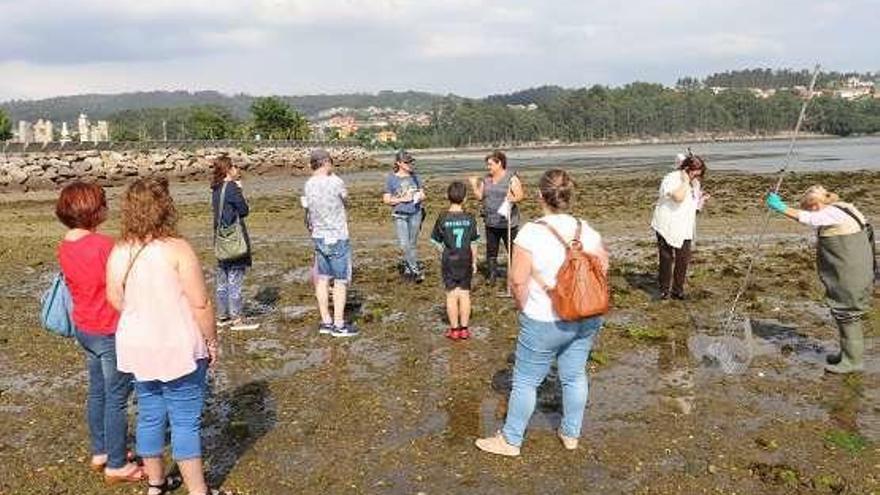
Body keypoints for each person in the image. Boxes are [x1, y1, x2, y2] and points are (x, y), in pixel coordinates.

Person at [476, 169, 607, 457]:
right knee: (574, 377)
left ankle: (510, 440)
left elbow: (518, 281)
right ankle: (570, 434)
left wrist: (524, 307)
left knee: (525, 381)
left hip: (544, 319)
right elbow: (603, 269)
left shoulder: (531, 233)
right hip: (586, 316)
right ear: (569, 196)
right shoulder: (586, 230)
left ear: (539, 196)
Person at [106, 178, 220, 495]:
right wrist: (212, 341)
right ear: (165, 207)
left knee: (149, 415)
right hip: (178, 344)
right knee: (184, 420)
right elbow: (201, 302)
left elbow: (115, 299)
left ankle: (156, 484)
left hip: (137, 345)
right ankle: (199, 491)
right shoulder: (177, 248)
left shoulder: (119, 251)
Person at [55, 182, 143, 483]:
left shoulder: (65, 244)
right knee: (117, 397)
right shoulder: (104, 246)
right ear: (94, 210)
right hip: (109, 329)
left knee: (98, 392)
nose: (107, 206)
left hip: (84, 328)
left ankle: (101, 450)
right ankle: (117, 464)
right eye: (103, 202)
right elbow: (125, 283)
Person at [766, 185, 874, 374]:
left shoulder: (831, 213)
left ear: (815, 205)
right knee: (844, 313)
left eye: (809, 208)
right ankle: (847, 354)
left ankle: (853, 361)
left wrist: (780, 207)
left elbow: (809, 219)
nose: (810, 212)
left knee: (848, 314)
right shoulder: (844, 206)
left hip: (850, 271)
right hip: (855, 267)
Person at [302, 149, 358, 337]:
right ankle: (339, 324)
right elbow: (346, 199)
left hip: (318, 235)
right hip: (337, 235)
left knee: (323, 278)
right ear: (326, 162)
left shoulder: (308, 184)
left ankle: (326, 320)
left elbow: (308, 209)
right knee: (341, 281)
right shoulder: (335, 181)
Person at [650, 153, 709, 300]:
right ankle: (664, 289)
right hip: (666, 224)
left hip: (684, 226)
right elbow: (678, 197)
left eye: (699, 175)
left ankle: (678, 290)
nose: (697, 178)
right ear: (687, 169)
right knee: (666, 257)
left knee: (683, 258)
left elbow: (693, 206)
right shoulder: (671, 179)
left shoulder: (694, 183)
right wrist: (684, 181)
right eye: (695, 174)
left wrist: (700, 200)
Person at [211, 156, 259, 331]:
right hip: (233, 239)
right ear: (228, 170)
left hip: (220, 239)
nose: (237, 170)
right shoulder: (231, 187)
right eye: (234, 167)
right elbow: (244, 210)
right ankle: (237, 319)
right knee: (235, 279)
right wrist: (240, 191)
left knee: (222, 279)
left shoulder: (215, 188)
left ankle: (223, 316)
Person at [430, 181, 480, 340]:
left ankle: (454, 329)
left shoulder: (443, 218)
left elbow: (436, 242)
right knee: (465, 294)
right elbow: (474, 242)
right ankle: (464, 328)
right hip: (465, 258)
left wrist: (442, 254)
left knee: (451, 295)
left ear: (448, 197)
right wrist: (474, 261)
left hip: (449, 259)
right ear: (465, 198)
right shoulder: (470, 218)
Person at [469, 150, 524, 284]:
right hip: (491, 221)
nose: (488, 167)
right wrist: (473, 185)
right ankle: (491, 276)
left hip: (508, 222)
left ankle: (516, 275)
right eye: (487, 165)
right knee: (491, 250)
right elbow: (480, 196)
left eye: (490, 164)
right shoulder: (486, 179)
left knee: (512, 250)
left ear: (500, 163)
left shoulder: (511, 178)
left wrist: (513, 198)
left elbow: (520, 195)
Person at [383, 150, 426, 282]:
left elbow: (423, 194)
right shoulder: (391, 178)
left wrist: (419, 197)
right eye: (406, 162)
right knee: (404, 245)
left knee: (412, 244)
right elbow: (386, 199)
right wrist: (403, 199)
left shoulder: (415, 177)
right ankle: (415, 270)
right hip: (400, 215)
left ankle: (409, 270)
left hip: (416, 213)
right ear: (399, 163)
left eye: (410, 161)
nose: (409, 164)